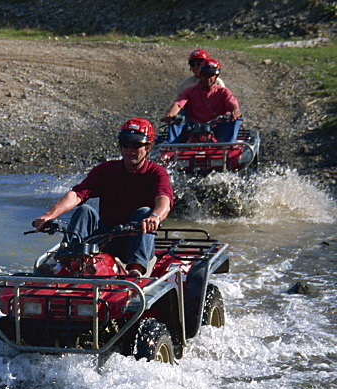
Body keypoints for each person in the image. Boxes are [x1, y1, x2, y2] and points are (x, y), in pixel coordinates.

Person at [31, 118, 173, 278]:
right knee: (84, 210)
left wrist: (155, 216)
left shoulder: (156, 173)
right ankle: (65, 263)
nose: (130, 149)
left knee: (145, 212)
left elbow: (164, 200)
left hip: (133, 240)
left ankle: (135, 272)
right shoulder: (106, 170)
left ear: (149, 147)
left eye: (136, 144)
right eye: (125, 143)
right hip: (105, 237)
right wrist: (49, 215)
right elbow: (76, 195)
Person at [164, 59, 241, 143]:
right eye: (205, 75)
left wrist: (235, 111)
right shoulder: (190, 91)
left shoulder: (223, 92)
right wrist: (170, 115)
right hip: (192, 128)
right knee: (176, 119)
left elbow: (232, 103)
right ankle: (172, 146)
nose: (208, 78)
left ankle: (229, 146)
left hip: (216, 127)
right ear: (200, 75)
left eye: (211, 75)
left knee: (235, 120)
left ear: (216, 76)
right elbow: (178, 104)